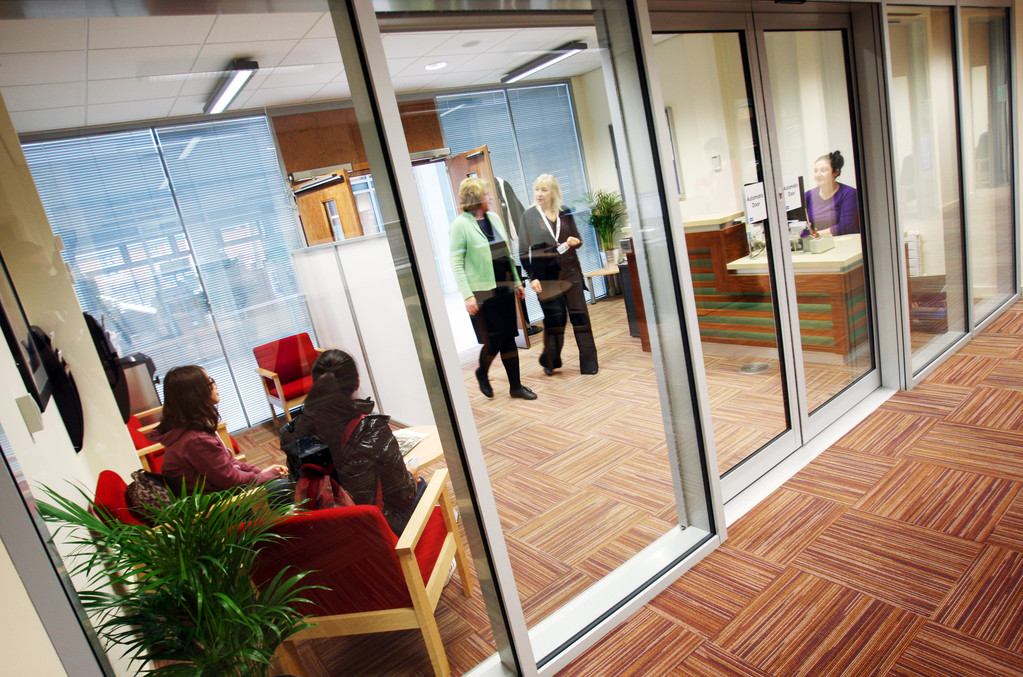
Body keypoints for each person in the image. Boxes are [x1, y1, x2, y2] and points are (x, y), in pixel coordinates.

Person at [279, 349, 425, 536]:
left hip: (325, 533)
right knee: (421, 485)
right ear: (356, 383)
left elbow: (296, 489)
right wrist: (411, 477)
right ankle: (442, 552)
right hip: (373, 532)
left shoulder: (290, 434)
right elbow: (403, 495)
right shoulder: (371, 428)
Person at [449, 177, 537, 401]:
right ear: (474, 199)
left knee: (509, 336)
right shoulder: (460, 225)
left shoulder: (494, 218)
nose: (489, 198)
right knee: (495, 339)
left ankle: (515, 386)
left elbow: (506, 254)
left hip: (505, 285)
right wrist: (468, 295)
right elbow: (456, 263)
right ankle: (482, 372)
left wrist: (517, 281)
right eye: (485, 195)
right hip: (482, 291)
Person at [153, 365, 289, 495]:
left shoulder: (194, 427)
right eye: (210, 382)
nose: (215, 385)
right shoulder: (196, 439)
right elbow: (233, 482)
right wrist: (270, 475)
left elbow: (229, 462)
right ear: (195, 394)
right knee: (297, 487)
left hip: (225, 493)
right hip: (224, 507)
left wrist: (260, 473)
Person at [519, 173, 598, 375]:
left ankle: (589, 365)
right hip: (545, 276)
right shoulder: (529, 216)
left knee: (580, 316)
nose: (539, 193)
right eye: (537, 189)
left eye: (544, 189)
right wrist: (532, 277)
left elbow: (578, 240)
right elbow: (522, 251)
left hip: (570, 272)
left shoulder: (565, 212)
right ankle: (550, 360)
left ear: (553, 192)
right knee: (556, 320)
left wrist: (574, 242)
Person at [805, 150, 860, 236]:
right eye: (816, 171)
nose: (818, 174)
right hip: (818, 243)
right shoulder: (808, 195)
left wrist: (815, 235)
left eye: (823, 170)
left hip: (844, 242)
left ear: (835, 172)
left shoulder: (849, 194)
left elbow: (844, 227)